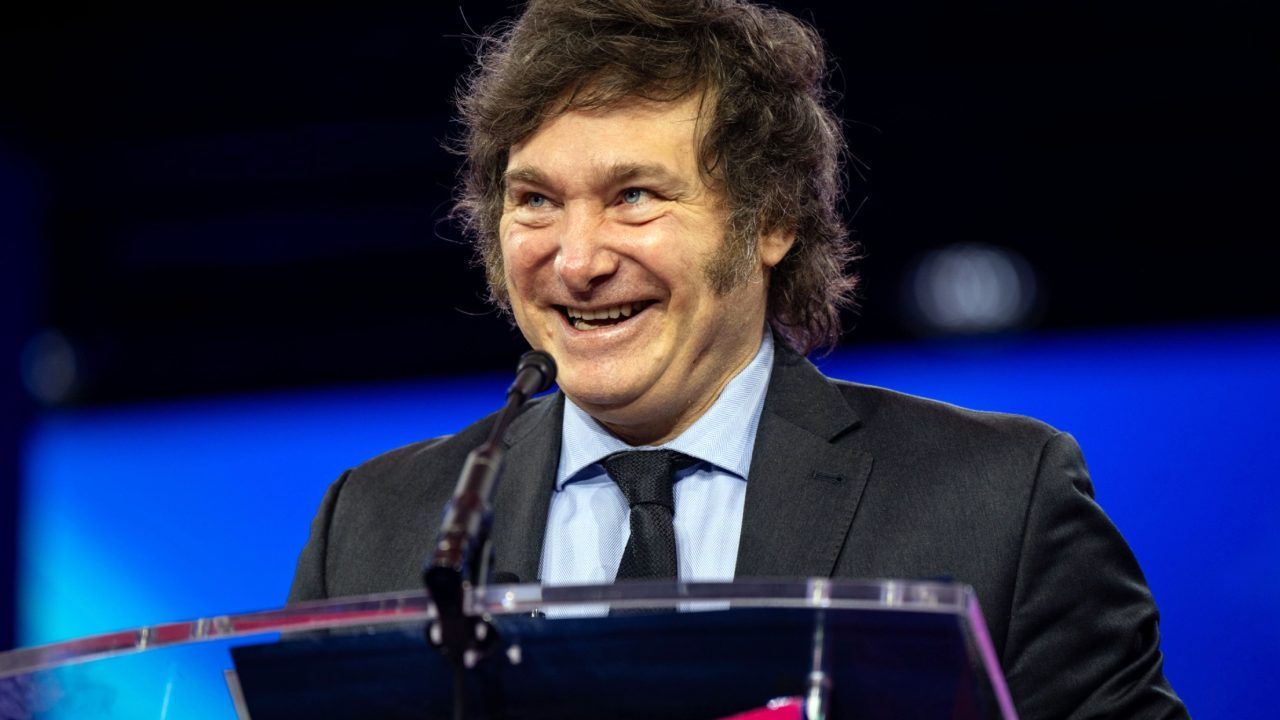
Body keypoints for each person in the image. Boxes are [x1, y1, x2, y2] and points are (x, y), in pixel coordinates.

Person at [290, 0, 1187, 716]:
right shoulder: (375, 527)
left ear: (771, 221)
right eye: (535, 201)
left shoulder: (997, 502)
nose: (576, 259)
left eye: (634, 195)